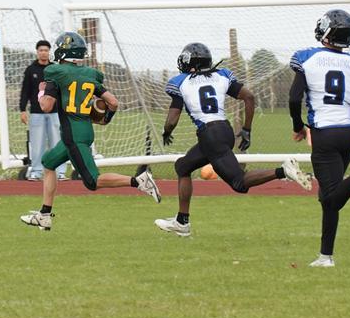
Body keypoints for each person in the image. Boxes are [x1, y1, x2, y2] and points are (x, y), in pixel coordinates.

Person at [154, 43, 313, 237]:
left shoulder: (181, 82)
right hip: (224, 131)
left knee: (239, 183)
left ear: (191, 64)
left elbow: (172, 120)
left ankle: (283, 171)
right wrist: (246, 129)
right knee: (183, 167)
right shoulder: (221, 76)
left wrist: (166, 131)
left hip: (210, 135)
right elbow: (249, 97)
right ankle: (182, 222)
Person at [20, 32, 161, 231]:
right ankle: (44, 215)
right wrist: (104, 119)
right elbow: (113, 102)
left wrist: (42, 90)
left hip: (72, 135)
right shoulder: (90, 74)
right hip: (85, 130)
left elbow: (46, 106)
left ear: (62, 50)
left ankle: (139, 181)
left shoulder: (55, 72)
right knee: (48, 162)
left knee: (93, 182)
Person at [289, 9, 350, 267]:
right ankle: (325, 256)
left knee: (330, 197)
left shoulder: (307, 58)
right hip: (346, 131)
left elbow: (293, 98)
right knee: (330, 197)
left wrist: (298, 125)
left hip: (324, 132)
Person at [19, 40, 67, 180]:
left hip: (55, 113)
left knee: (57, 143)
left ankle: (60, 172)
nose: (43, 52)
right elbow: (25, 91)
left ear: (49, 52)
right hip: (36, 113)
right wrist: (22, 110)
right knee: (37, 144)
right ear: (37, 52)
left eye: (46, 50)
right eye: (41, 50)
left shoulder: (55, 69)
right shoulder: (31, 70)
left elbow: (62, 89)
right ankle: (36, 171)